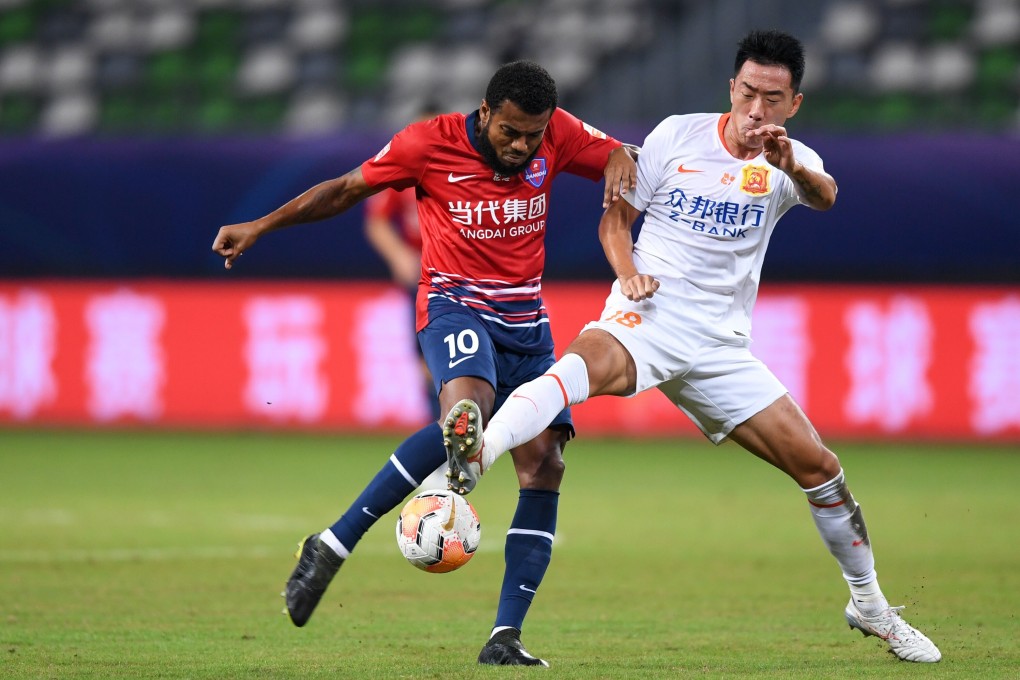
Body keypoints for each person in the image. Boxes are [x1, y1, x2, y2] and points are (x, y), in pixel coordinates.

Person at [444, 31, 942, 664]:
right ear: (731, 89)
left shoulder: (791, 161)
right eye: (748, 92)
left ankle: (869, 605)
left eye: (773, 98)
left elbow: (826, 196)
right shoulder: (676, 135)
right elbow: (616, 218)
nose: (757, 110)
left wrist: (789, 166)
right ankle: (475, 454)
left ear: (794, 103)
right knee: (580, 365)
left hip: (720, 345)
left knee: (820, 468)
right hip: (648, 312)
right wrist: (626, 272)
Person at [211, 60, 637, 667]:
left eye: (533, 136)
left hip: (527, 324)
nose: (522, 145)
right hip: (454, 305)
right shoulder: (426, 143)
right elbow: (345, 189)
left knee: (545, 464)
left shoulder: (559, 132)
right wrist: (262, 225)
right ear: (485, 112)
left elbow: (628, 157)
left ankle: (504, 637)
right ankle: (333, 544)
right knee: (467, 411)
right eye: (510, 131)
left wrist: (625, 151)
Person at [363, 103, 443, 428]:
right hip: (424, 276)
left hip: (463, 274)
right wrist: (399, 255)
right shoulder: (403, 169)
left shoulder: (467, 170)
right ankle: (439, 433)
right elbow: (377, 221)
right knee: (427, 358)